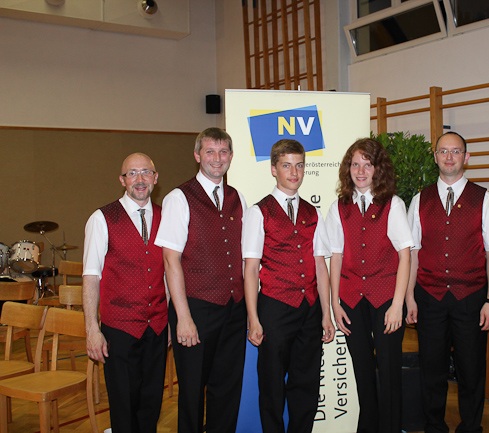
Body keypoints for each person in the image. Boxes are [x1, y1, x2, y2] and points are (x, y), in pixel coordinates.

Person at [406, 131, 489, 433]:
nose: (449, 157)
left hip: (472, 298)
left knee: (471, 369)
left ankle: (471, 427)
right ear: (435, 156)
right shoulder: (420, 200)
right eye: (443, 151)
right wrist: (410, 297)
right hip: (429, 297)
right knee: (431, 368)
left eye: (455, 151)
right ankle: (434, 426)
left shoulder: (485, 199)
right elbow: (412, 253)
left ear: (466, 157)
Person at [154, 128, 247, 433]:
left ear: (231, 156)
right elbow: (171, 261)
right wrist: (182, 318)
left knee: (228, 389)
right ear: (197, 156)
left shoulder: (237, 198)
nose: (217, 159)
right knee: (193, 392)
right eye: (210, 151)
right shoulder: (178, 198)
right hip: (195, 308)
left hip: (234, 308)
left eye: (223, 152)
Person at [243, 139, 335, 433]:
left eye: (299, 166)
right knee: (271, 386)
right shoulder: (259, 212)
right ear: (274, 169)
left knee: (306, 384)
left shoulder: (312, 212)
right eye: (286, 166)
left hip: (309, 309)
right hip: (274, 307)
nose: (294, 173)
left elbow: (320, 264)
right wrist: (254, 318)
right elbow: (250, 269)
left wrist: (326, 314)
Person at [326, 138, 413, 433]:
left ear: (378, 169)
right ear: (347, 168)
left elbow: (404, 256)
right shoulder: (339, 207)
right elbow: (336, 256)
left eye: (367, 164)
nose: (360, 171)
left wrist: (398, 305)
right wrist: (335, 303)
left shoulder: (393, 204)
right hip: (351, 298)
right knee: (362, 370)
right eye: (355, 164)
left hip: (387, 297)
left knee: (389, 371)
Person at [83, 152, 168, 433]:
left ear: (155, 178)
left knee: (151, 404)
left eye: (146, 172)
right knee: (123, 407)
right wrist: (92, 329)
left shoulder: (167, 217)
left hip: (157, 326)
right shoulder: (102, 219)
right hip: (119, 329)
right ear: (122, 180)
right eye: (132, 173)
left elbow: (170, 273)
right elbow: (91, 276)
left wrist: (172, 319)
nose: (139, 179)